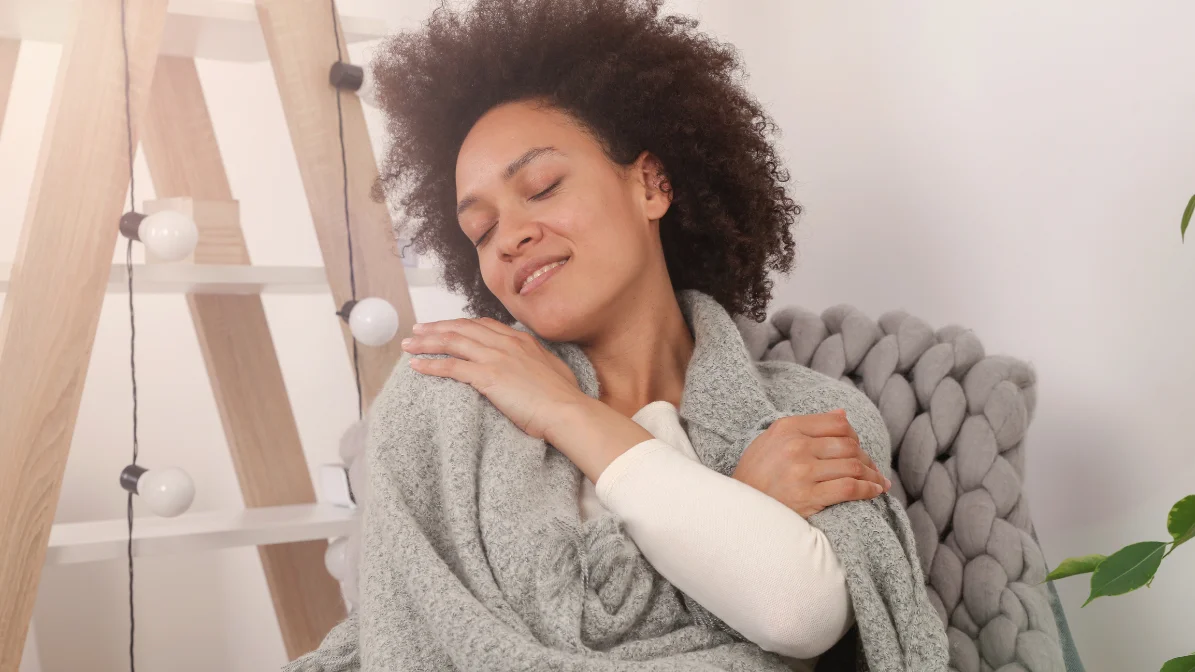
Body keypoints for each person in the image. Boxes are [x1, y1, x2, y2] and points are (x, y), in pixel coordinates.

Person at [287, 0, 948, 670]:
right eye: (479, 231)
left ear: (651, 185)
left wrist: (566, 413)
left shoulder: (804, 414)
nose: (509, 237)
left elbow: (798, 614)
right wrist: (745, 511)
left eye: (541, 188)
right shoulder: (448, 391)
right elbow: (434, 635)